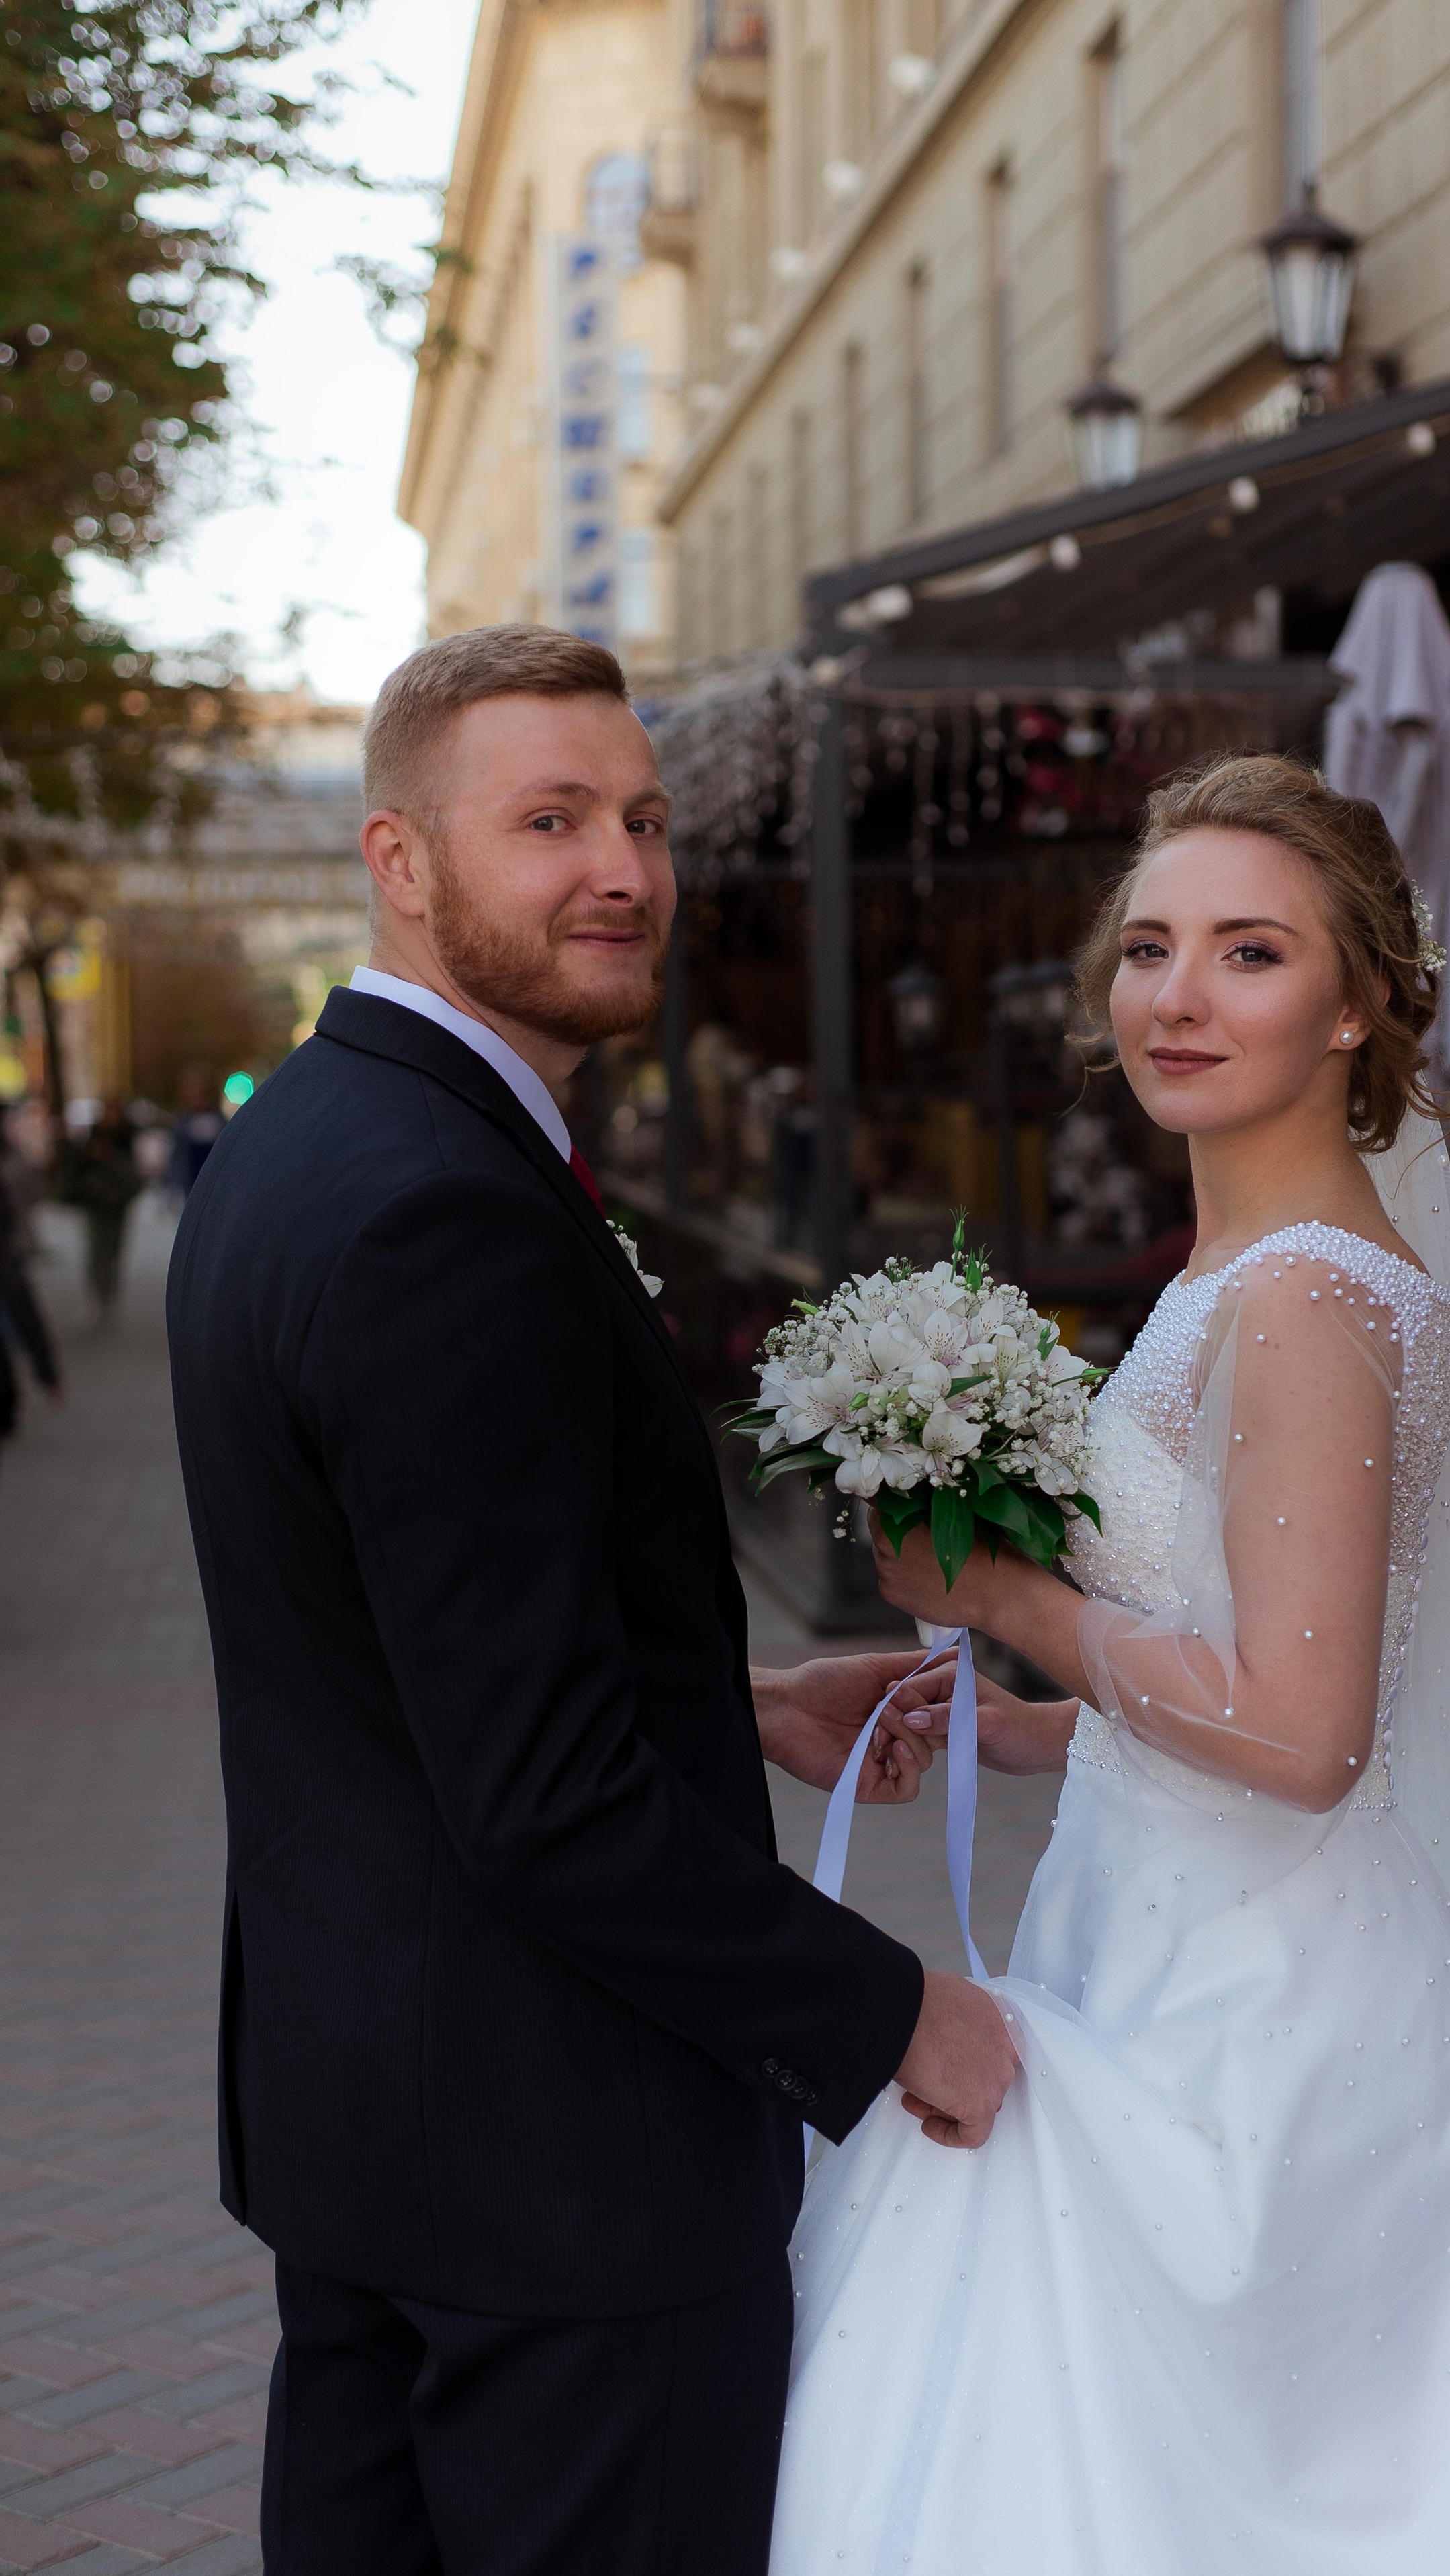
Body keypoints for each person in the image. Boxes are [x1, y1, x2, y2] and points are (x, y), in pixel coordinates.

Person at [770, 754, 1450, 2574]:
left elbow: (1303, 1727)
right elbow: (1231, 1651)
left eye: (1251, 953)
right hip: (1158, 1933)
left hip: (1262, 2020)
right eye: (1151, 946)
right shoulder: (1249, 1267)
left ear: (1356, 1005)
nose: (1177, 994)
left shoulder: (1310, 1301)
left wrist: (1019, 1606)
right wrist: (1034, 1718)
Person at [164, 625, 1017, 2576]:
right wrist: (890, 2016)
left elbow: (408, 1648)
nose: (621, 867)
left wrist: (740, 1696)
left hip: (372, 2125)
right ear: (399, 858)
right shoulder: (441, 1208)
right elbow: (543, 1793)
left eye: (636, 815)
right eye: (548, 822)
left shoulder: (310, 1142)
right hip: (562, 2178)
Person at [0, 1140, 62, 1468]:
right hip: (10, 1257)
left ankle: (12, 1404)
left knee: (17, 1321)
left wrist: (48, 1374)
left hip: (7, 1259)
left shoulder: (11, 1157)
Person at [59, 1098, 143, 1318]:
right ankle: (99, 1295)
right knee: (97, 1249)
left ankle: (109, 1293)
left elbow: (134, 1178)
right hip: (95, 1206)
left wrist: (110, 1159)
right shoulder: (88, 1142)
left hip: (118, 1206)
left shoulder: (124, 1141)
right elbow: (73, 1175)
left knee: (114, 1249)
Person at [165, 1069, 224, 1204]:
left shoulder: (220, 1122)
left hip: (215, 1185)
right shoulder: (181, 1123)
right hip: (189, 1186)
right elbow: (177, 1158)